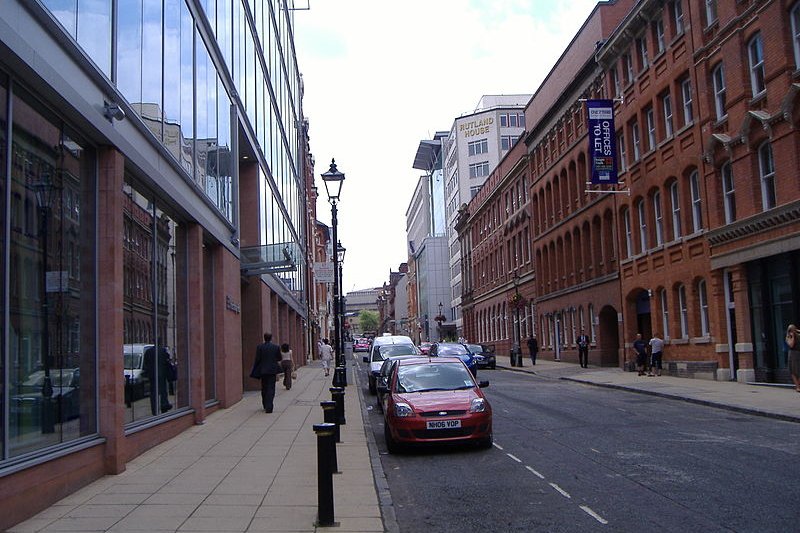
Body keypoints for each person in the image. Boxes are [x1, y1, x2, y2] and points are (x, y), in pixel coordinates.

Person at [251, 332, 282, 413]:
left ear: (264, 338)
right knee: (271, 388)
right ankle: (269, 406)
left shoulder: (260, 347)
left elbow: (257, 359)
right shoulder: (276, 347)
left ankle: (265, 404)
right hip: (272, 371)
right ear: (271, 338)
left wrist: (255, 369)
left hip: (263, 371)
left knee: (264, 388)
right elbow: (279, 358)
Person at [143, 340, 172, 416]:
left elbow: (145, 363)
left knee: (153, 392)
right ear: (160, 342)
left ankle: (154, 409)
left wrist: (148, 373)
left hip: (152, 375)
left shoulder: (148, 352)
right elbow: (168, 362)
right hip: (162, 374)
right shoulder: (163, 351)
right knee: (163, 391)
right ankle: (164, 406)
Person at [786, 324, 800, 392]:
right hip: (793, 354)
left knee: (797, 370)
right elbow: (791, 345)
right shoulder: (788, 337)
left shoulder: (798, 335)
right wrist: (792, 337)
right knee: (793, 371)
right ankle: (797, 386)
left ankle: (798, 385)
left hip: (797, 353)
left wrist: (797, 331)